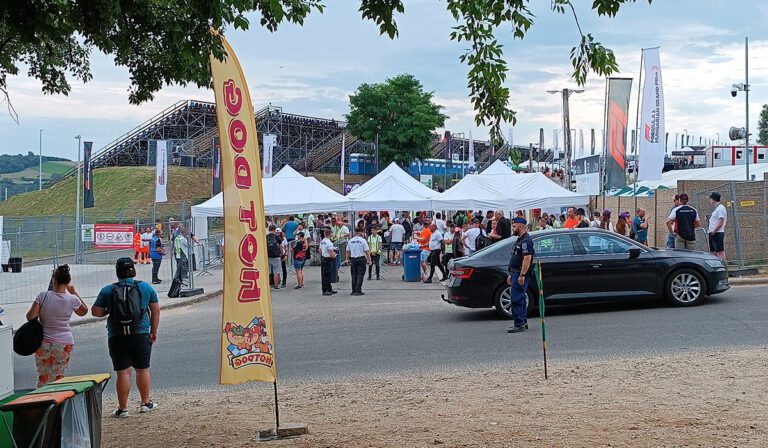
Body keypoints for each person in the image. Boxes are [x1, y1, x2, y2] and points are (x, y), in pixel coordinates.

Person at [92, 257, 160, 417]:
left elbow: (96, 312)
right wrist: (153, 331)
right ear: (133, 271)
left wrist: (110, 309)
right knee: (142, 370)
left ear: (117, 272)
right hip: (141, 332)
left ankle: (123, 409)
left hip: (117, 335)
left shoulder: (108, 290)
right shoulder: (145, 287)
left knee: (123, 372)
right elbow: (156, 310)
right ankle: (145, 403)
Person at [26, 265, 88, 387]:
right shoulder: (72, 299)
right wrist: (74, 292)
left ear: (53, 280)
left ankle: (42, 402)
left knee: (43, 375)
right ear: (68, 282)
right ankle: (57, 404)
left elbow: (30, 317)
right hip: (64, 342)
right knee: (58, 375)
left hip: (43, 342)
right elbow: (84, 311)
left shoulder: (43, 296)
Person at [507, 217, 534, 334]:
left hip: (520, 273)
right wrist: (511, 274)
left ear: (521, 227)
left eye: (514, 226)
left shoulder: (526, 241)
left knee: (516, 299)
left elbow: (527, 259)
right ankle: (522, 321)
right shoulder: (520, 239)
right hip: (515, 272)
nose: (512, 228)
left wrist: (522, 275)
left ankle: (519, 323)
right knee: (520, 298)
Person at [346, 228, 371, 296]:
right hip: (361, 259)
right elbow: (367, 251)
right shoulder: (363, 241)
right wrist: (369, 260)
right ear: (360, 232)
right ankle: (358, 290)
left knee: (353, 275)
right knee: (360, 275)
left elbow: (348, 251)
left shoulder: (350, 241)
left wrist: (347, 259)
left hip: (353, 259)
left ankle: (353, 290)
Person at [708, 192, 727, 260]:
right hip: (713, 232)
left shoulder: (720, 208)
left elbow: (720, 222)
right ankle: (716, 266)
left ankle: (723, 266)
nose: (710, 200)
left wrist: (714, 230)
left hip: (717, 233)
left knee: (719, 250)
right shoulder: (717, 208)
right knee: (713, 251)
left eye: (710, 199)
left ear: (713, 199)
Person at [319, 228, 338, 296]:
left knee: (326, 275)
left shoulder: (322, 241)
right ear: (330, 234)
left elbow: (320, 251)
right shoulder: (329, 243)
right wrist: (334, 255)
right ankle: (325, 290)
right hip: (328, 259)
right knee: (327, 275)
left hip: (323, 258)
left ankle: (329, 288)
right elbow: (331, 252)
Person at [266, 225, 282, 289]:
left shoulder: (266, 237)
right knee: (276, 271)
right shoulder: (277, 237)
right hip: (276, 256)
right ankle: (276, 286)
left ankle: (268, 285)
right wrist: (282, 253)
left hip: (268, 256)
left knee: (268, 271)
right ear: (274, 229)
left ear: (269, 229)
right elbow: (280, 246)